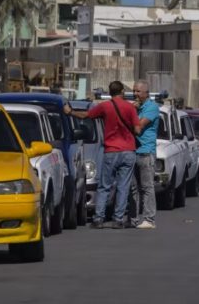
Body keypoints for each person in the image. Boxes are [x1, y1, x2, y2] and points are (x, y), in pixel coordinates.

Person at [64, 80, 142, 229]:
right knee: (123, 186)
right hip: (128, 150)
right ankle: (118, 219)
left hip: (111, 150)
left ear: (110, 92)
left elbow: (85, 115)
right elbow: (137, 130)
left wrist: (70, 112)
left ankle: (99, 218)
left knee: (104, 185)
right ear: (122, 92)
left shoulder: (105, 106)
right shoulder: (130, 108)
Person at [128, 80, 160, 229]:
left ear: (146, 93)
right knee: (133, 187)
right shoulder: (135, 108)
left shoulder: (151, 107)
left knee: (147, 187)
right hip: (133, 151)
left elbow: (139, 126)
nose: (135, 94)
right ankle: (133, 218)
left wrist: (132, 112)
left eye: (138, 92)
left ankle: (149, 219)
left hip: (146, 152)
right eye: (134, 91)